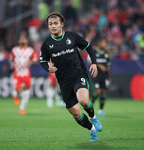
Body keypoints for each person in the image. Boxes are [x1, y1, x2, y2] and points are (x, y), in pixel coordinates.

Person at [40, 12, 102, 142]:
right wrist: (48, 68)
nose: (53, 26)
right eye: (50, 24)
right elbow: (43, 61)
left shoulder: (72, 37)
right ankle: (92, 129)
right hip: (63, 81)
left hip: (78, 74)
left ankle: (93, 117)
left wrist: (94, 63)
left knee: (84, 100)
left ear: (62, 24)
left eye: (56, 23)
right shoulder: (47, 44)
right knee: (76, 114)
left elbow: (89, 47)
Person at [9, 35, 38, 115]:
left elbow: (35, 61)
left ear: (27, 41)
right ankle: (16, 95)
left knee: (26, 91)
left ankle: (22, 109)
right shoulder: (14, 50)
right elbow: (11, 59)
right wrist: (11, 63)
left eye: (23, 39)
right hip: (17, 73)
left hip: (26, 73)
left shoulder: (30, 50)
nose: (22, 40)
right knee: (18, 90)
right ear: (18, 41)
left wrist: (31, 62)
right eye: (20, 39)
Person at [87, 38, 111, 116]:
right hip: (95, 75)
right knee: (97, 91)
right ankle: (90, 106)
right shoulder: (93, 52)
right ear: (99, 43)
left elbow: (108, 66)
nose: (105, 45)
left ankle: (101, 110)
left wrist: (109, 77)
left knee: (103, 92)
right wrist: (99, 65)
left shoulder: (106, 53)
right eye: (104, 43)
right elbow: (89, 63)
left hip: (104, 76)